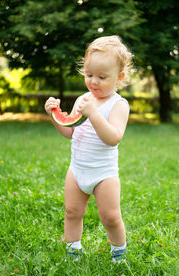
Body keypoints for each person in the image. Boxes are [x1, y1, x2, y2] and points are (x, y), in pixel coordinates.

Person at [45, 35, 133, 262]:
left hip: (103, 174)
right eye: (89, 75)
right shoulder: (84, 99)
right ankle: (73, 252)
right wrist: (55, 116)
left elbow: (113, 138)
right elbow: (70, 132)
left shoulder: (119, 105)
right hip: (77, 170)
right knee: (72, 212)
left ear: (119, 77)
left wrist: (93, 114)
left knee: (110, 217)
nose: (93, 82)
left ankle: (119, 254)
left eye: (102, 77)